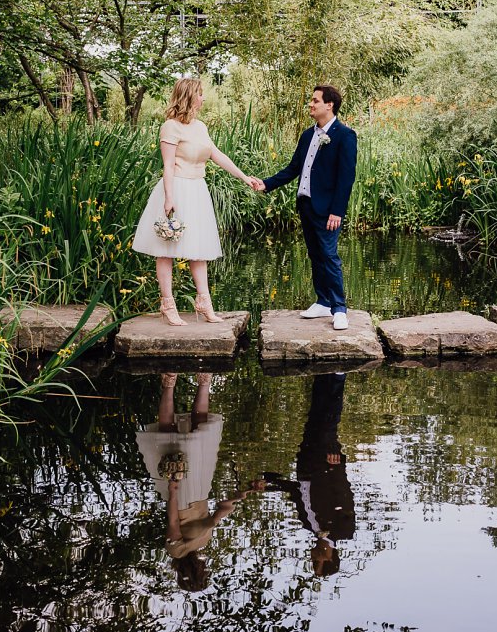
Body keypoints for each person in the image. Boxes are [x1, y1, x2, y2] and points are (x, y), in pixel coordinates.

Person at [133, 78, 260, 325]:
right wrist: (169, 198)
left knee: (198, 250)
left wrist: (245, 177)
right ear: (189, 96)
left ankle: (204, 302)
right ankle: (168, 304)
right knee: (166, 249)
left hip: (198, 190)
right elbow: (168, 165)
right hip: (177, 188)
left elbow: (216, 155)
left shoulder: (200, 127)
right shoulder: (170, 127)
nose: (203, 98)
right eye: (200, 94)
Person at [134, 372, 255, 592]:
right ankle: (203, 381)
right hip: (200, 492)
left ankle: (170, 383)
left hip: (183, 498)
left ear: (195, 573)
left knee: (169, 438)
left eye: (202, 574)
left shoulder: (177, 551)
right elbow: (219, 514)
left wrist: (172, 490)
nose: (205, 568)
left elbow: (173, 522)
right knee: (199, 435)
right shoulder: (203, 543)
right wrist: (245, 493)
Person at [252, 85, 357, 331]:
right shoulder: (307, 135)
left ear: (329, 105)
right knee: (315, 255)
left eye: (315, 100)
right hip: (306, 205)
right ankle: (322, 301)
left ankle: (339, 309)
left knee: (329, 255)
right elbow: (293, 169)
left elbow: (346, 178)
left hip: (328, 209)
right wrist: (266, 184)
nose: (311, 104)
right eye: (311, 100)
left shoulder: (345, 135)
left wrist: (337, 211)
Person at [259, 372, 354, 577]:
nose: (312, 557)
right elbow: (344, 496)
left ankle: (322, 376)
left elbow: (297, 492)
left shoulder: (308, 525)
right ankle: (338, 378)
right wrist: (337, 466)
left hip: (306, 463)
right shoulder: (343, 530)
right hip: (326, 465)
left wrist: (270, 481)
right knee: (328, 424)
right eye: (316, 561)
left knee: (315, 417)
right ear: (328, 557)